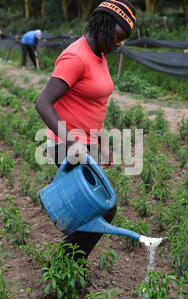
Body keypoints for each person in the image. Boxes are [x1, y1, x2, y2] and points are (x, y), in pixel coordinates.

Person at [35, 0, 136, 284]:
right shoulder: (75, 57)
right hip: (67, 147)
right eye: (118, 36)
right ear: (104, 25)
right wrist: (71, 142)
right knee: (104, 207)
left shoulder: (99, 55)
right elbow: (43, 103)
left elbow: (94, 104)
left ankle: (67, 271)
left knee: (94, 208)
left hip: (87, 146)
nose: (119, 44)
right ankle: (64, 270)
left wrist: (102, 141)